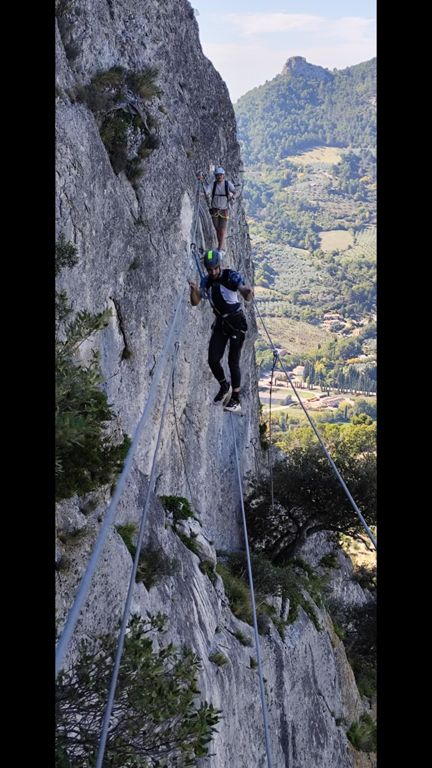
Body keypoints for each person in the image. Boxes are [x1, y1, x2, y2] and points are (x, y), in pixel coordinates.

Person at [189, 249, 253, 414]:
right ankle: (224, 385)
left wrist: (246, 291)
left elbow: (242, 289)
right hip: (221, 323)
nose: (213, 272)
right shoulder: (206, 282)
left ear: (219, 266)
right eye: (210, 269)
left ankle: (236, 399)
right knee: (213, 359)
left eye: (215, 268)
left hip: (236, 322)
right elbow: (195, 302)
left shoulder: (230, 276)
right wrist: (194, 290)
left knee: (233, 361)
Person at [198, 167, 235, 251]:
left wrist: (233, 197)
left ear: (223, 175)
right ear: (215, 176)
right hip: (214, 210)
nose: (219, 177)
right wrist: (202, 184)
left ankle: (220, 247)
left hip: (224, 210)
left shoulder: (227, 184)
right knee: (217, 229)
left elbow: (234, 192)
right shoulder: (213, 185)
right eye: (217, 175)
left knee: (221, 230)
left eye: (220, 175)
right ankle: (219, 245)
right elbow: (207, 192)